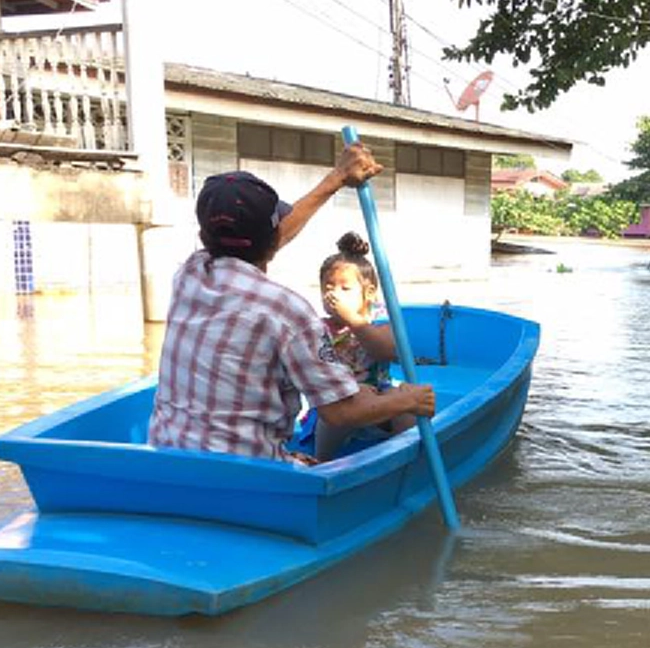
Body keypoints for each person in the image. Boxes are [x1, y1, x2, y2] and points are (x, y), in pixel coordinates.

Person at [148, 144, 435, 466]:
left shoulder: (188, 274)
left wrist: (337, 179)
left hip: (167, 457)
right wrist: (409, 398)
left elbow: (266, 239)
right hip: (250, 473)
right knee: (377, 409)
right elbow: (341, 412)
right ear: (271, 240)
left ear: (203, 234)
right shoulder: (288, 311)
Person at [293, 231, 417, 461]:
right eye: (328, 287)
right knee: (335, 407)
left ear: (369, 293)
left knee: (408, 407)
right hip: (340, 406)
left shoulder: (380, 318)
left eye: (345, 289)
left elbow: (387, 350)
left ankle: (405, 459)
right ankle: (322, 460)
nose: (334, 294)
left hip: (380, 398)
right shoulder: (318, 327)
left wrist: (352, 319)